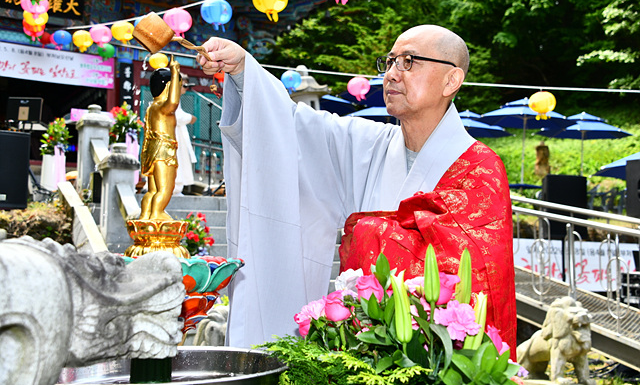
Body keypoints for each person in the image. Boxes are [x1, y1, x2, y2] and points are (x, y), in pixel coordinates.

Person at [197, 25, 516, 353]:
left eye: (408, 62)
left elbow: (480, 276)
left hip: (439, 355)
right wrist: (244, 72)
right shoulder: (370, 146)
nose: (391, 74)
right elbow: (290, 129)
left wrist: (369, 232)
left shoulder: (479, 166)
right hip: (363, 349)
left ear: (451, 80)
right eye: (389, 62)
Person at [139, 57, 181, 221]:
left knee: (153, 190)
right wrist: (175, 72)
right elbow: (173, 102)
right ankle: (157, 213)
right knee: (165, 189)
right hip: (164, 153)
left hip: (153, 152)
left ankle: (145, 214)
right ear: (169, 86)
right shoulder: (164, 108)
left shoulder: (152, 108)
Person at [173, 73, 198, 196]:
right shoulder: (170, 96)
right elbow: (174, 116)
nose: (185, 88)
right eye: (184, 85)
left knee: (180, 161)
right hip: (172, 134)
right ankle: (173, 188)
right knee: (175, 160)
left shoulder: (177, 98)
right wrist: (189, 118)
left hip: (178, 133)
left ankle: (177, 188)